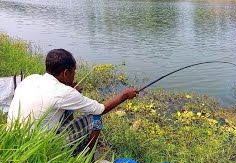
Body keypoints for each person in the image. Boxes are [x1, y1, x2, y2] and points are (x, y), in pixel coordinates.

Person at [7, 48, 138, 155]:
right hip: (39, 148)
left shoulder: (31, 78)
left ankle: (72, 147)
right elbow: (100, 109)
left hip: (15, 140)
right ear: (65, 73)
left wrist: (69, 90)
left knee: (67, 108)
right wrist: (125, 95)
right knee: (95, 119)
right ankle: (87, 160)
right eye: (74, 70)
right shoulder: (64, 93)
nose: (75, 74)